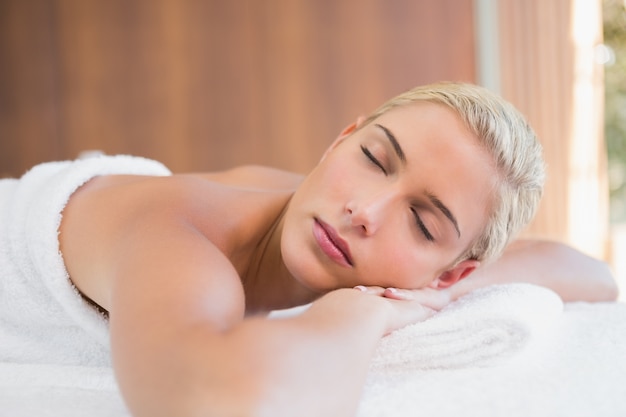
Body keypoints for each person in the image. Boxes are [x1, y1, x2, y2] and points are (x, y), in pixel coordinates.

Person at [0, 82, 617, 416]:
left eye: (423, 226)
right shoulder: (178, 237)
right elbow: (226, 405)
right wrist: (360, 312)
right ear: (338, 141)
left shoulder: (417, 260)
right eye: (373, 158)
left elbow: (586, 271)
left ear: (453, 272)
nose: (364, 211)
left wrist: (425, 286)